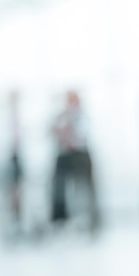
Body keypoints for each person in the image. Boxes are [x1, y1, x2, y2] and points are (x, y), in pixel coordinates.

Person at [50, 90, 100, 232]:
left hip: (81, 156)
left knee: (85, 190)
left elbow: (79, 138)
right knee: (60, 188)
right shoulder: (63, 115)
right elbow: (55, 131)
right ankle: (60, 219)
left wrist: (68, 135)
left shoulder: (82, 116)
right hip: (67, 156)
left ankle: (90, 221)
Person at [6, 90, 24, 234]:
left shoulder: (16, 116)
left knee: (17, 188)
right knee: (13, 188)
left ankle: (17, 217)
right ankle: (14, 218)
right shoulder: (8, 118)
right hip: (12, 156)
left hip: (16, 156)